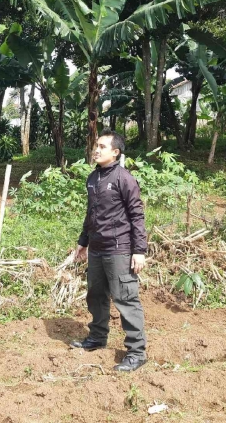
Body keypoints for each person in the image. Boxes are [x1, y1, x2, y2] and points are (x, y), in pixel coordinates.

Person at [70, 129, 148, 372]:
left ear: (115, 152)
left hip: (119, 249)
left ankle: (137, 352)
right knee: (95, 295)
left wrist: (139, 251)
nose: (96, 149)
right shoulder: (93, 178)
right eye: (96, 145)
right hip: (97, 248)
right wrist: (83, 241)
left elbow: (137, 215)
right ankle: (97, 337)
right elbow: (90, 214)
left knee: (125, 299)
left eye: (102, 146)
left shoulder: (124, 179)